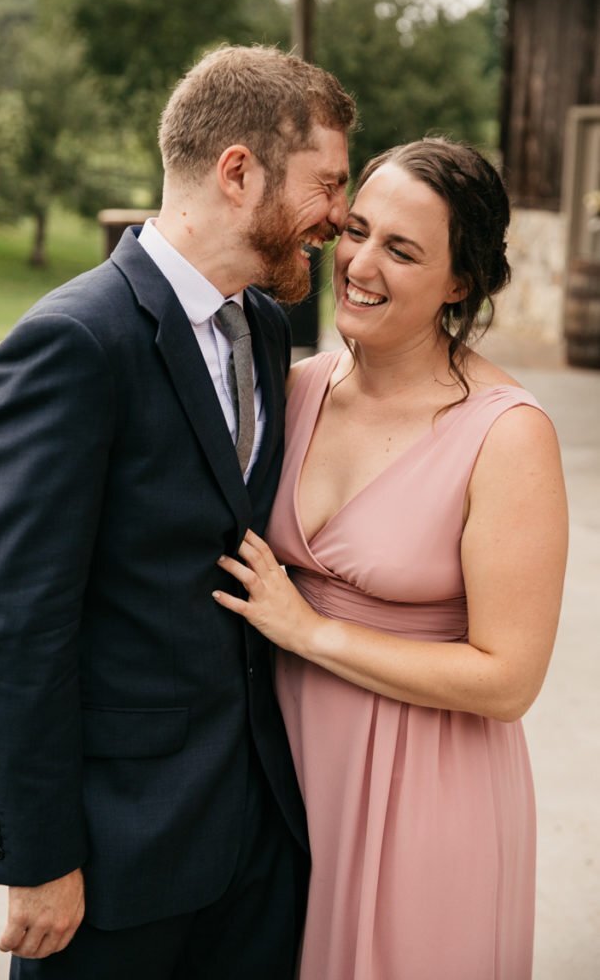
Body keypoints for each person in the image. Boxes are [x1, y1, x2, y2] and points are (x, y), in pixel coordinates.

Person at [0, 44, 354, 979]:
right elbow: (14, 626)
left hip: (255, 842)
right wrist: (41, 857)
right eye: (327, 185)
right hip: (115, 856)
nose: (340, 217)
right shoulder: (71, 344)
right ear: (236, 172)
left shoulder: (261, 324)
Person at [214, 137, 568, 980]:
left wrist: (311, 634)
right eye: (358, 231)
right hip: (285, 786)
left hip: (427, 797)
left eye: (401, 249)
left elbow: (508, 678)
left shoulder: (505, 435)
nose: (360, 264)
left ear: (460, 283)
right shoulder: (292, 389)